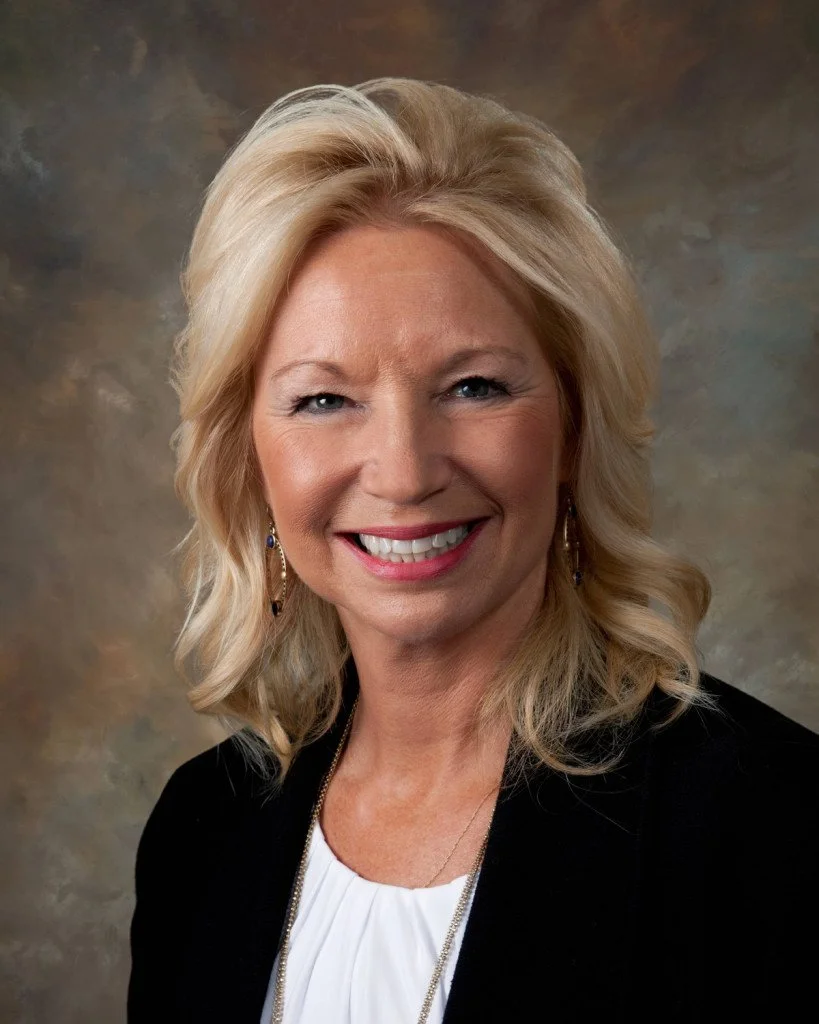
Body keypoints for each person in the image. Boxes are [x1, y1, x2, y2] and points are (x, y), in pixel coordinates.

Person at [127, 78, 819, 1024]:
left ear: (572, 428)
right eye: (323, 399)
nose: (404, 473)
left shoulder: (770, 823)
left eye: (474, 387)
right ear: (249, 455)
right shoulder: (203, 832)